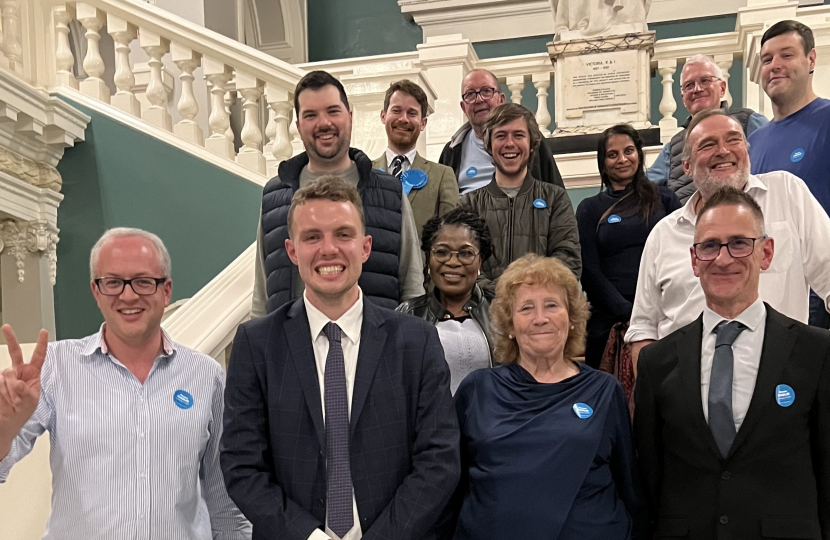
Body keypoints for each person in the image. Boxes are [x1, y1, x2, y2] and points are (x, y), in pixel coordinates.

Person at [221, 176, 460, 540]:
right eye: (312, 237)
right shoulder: (257, 345)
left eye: (343, 235)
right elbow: (242, 466)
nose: (328, 249)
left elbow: (439, 459)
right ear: (291, 250)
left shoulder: (416, 341)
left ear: (365, 247)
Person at [0, 228, 250, 540]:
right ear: (96, 291)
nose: (128, 295)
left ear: (166, 290)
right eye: (113, 282)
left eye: (144, 281)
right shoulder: (55, 367)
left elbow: (226, 503)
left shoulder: (206, 376)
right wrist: (5, 426)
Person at [634, 187, 830, 539]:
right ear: (694, 260)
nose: (723, 259)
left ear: (765, 252)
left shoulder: (816, 352)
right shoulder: (656, 362)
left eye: (739, 243)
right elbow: (650, 478)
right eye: (709, 246)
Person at [446, 254, 646, 540]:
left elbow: (630, 488)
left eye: (552, 305)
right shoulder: (478, 388)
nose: (540, 318)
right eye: (526, 308)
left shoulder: (605, 390)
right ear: (510, 326)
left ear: (573, 318)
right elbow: (451, 485)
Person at [625, 109, 830, 367]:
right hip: (686, 390)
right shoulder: (664, 234)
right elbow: (644, 328)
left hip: (781, 385)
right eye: (708, 145)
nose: (723, 151)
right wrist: (655, 397)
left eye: (733, 140)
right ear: (686, 166)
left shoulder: (787, 194)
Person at [252, 70, 424, 317]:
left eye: (333, 111)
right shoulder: (275, 196)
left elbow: (412, 286)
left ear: (350, 117)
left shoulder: (390, 192)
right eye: (311, 115)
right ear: (299, 126)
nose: (324, 123)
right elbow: (262, 296)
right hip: (291, 351)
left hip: (376, 349)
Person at [576, 125, 680, 373]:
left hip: (664, 316)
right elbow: (589, 271)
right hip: (609, 322)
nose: (622, 159)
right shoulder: (590, 208)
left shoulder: (665, 199)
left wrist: (651, 313)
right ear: (603, 163)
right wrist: (629, 313)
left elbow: (681, 255)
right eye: (613, 154)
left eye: (629, 151)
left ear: (639, 155)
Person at [749, 20, 830, 329]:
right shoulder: (753, 143)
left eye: (786, 55)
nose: (775, 66)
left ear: (811, 60)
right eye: (767, 59)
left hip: (820, 301)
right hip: (769, 303)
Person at [459, 103, 581, 289]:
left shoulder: (555, 199)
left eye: (518, 135)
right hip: (481, 313)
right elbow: (463, 264)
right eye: (501, 135)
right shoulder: (467, 204)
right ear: (489, 145)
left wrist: (526, 294)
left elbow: (568, 261)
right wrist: (501, 295)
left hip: (539, 312)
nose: (510, 143)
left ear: (532, 144)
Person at [397, 207, 495, 393]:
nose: (452, 262)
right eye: (442, 252)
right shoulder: (407, 315)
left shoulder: (503, 311)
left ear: (480, 261)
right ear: (428, 259)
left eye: (466, 253)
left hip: (495, 419)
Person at [646, 54, 767, 203]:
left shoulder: (749, 122)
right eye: (689, 85)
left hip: (746, 213)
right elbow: (642, 188)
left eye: (705, 80)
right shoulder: (673, 146)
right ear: (683, 97)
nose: (697, 89)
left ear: (722, 88)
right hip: (692, 223)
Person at [439, 69, 564, 194]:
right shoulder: (451, 151)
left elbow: (556, 194)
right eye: (470, 94)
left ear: (501, 99)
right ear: (463, 107)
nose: (479, 99)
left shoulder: (533, 141)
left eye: (486, 91)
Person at [373, 79, 459, 237]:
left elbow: (450, 236)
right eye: (396, 110)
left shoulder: (442, 175)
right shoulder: (364, 171)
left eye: (412, 113)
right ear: (383, 116)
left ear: (423, 123)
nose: (403, 119)